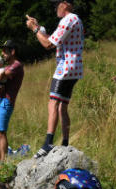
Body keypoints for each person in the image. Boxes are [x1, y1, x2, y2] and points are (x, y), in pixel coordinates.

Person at [25, 0, 84, 158]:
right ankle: (65, 143)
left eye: (56, 5)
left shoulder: (68, 19)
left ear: (64, 4)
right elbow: (53, 39)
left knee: (53, 102)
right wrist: (40, 29)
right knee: (62, 107)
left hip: (65, 68)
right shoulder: (74, 20)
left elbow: (48, 44)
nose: (55, 8)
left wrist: (35, 29)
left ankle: (48, 144)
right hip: (75, 69)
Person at [0, 41, 25, 163]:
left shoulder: (16, 65)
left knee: (1, 132)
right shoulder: (7, 67)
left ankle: (3, 162)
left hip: (6, 101)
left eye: (5, 50)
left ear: (13, 51)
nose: (2, 53)